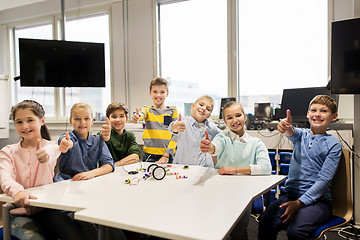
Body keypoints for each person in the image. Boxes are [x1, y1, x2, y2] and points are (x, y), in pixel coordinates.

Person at [258, 95, 342, 240]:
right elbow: (291, 132)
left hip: (319, 201)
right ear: (308, 114)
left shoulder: (334, 145)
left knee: (296, 231)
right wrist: (286, 127)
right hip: (291, 196)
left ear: (333, 117)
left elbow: (324, 181)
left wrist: (299, 203)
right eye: (313, 110)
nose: (317, 114)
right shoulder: (301, 136)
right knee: (266, 221)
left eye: (324, 111)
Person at [0, 100, 82, 240]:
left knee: (74, 236)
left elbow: (53, 151)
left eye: (30, 120)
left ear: (42, 120)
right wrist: (18, 192)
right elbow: (5, 178)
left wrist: (48, 155)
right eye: (19, 122)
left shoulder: (51, 146)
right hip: (17, 213)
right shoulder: (8, 151)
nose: (24, 126)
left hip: (47, 210)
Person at [200, 101, 272, 240]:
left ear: (244, 116)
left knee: (239, 230)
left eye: (238, 115)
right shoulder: (222, 137)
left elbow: (266, 168)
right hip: (219, 190)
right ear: (225, 121)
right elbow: (216, 147)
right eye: (229, 117)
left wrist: (234, 170)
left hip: (243, 193)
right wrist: (210, 148)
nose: (235, 120)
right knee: (213, 226)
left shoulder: (256, 143)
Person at [54, 103, 115, 182]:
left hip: (89, 181)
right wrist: (67, 144)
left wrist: (91, 173)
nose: (82, 122)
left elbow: (109, 165)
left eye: (86, 118)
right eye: (77, 119)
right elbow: (66, 141)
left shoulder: (98, 140)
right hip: (66, 182)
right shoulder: (68, 137)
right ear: (70, 121)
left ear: (92, 120)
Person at [131, 77, 178, 164]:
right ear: (150, 93)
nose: (158, 95)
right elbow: (141, 115)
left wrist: (166, 155)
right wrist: (137, 117)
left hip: (167, 156)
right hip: (149, 155)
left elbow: (176, 135)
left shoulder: (173, 111)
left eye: (162, 92)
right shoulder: (147, 109)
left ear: (167, 94)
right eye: (155, 92)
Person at [169, 95, 221, 167]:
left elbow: (223, 138)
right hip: (182, 167)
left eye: (208, 109)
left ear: (209, 115)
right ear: (193, 106)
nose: (203, 108)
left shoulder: (212, 128)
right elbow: (171, 128)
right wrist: (174, 127)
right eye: (201, 105)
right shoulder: (182, 121)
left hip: (204, 169)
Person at [99, 102, 141, 167]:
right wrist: (104, 138)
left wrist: (113, 166)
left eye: (121, 116)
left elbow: (135, 157)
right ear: (108, 119)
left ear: (126, 118)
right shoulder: (104, 134)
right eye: (114, 116)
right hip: (106, 173)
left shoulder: (130, 136)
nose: (118, 120)